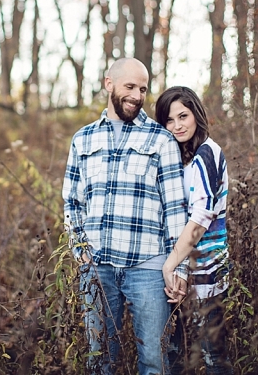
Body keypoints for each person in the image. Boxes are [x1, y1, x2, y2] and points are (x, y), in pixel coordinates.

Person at [62, 58, 188, 375]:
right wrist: (81, 254)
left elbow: (175, 208)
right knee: (100, 361)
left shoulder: (161, 139)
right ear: (109, 84)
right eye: (129, 86)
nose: (136, 95)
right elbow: (71, 202)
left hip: (149, 268)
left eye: (142, 89)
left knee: (154, 362)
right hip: (98, 269)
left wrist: (179, 267)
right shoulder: (83, 139)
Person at [154, 86, 233, 375]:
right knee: (176, 354)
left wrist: (170, 266)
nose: (177, 126)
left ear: (196, 114)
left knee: (214, 358)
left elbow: (199, 222)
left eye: (183, 116)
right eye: (169, 120)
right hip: (187, 273)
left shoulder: (205, 155)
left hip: (206, 273)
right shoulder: (187, 157)